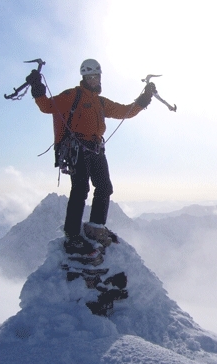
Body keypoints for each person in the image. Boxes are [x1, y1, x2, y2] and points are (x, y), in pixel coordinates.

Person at [26, 59, 154, 255]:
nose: (93, 80)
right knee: (80, 188)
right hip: (76, 148)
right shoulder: (72, 95)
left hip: (95, 148)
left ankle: (96, 227)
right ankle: (72, 234)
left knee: (105, 187)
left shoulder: (100, 102)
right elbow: (47, 106)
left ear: (100, 77)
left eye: (96, 77)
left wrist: (144, 98)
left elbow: (124, 111)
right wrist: (37, 87)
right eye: (90, 77)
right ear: (83, 78)